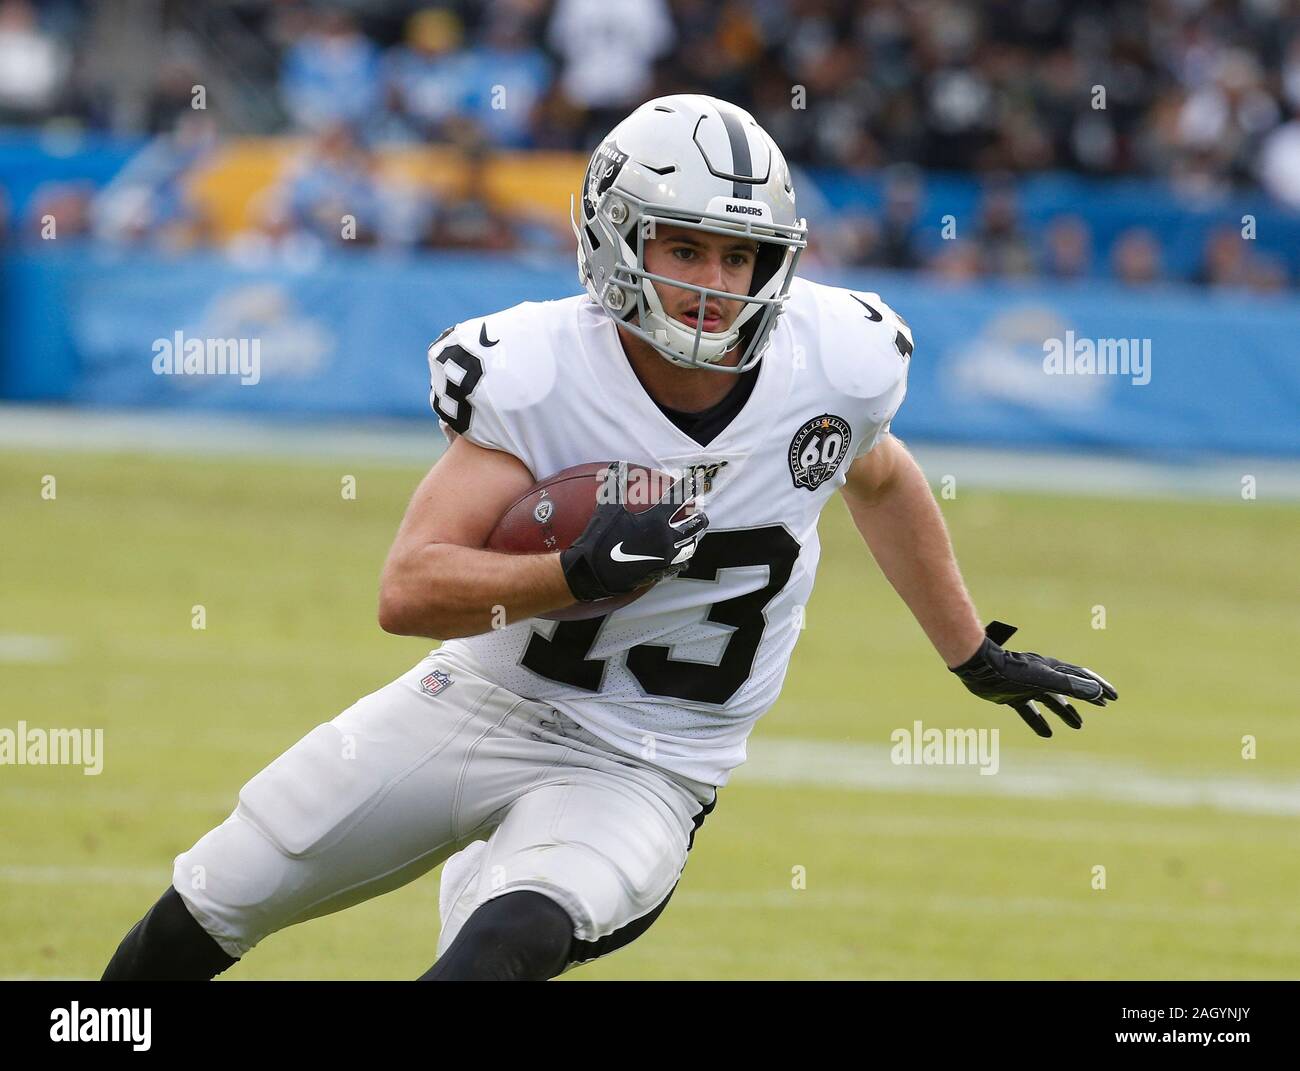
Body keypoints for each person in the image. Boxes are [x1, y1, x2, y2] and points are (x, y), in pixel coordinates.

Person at [102, 95, 1117, 982]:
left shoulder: (837, 362)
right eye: (683, 247)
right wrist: (571, 572)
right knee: (220, 895)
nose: (716, 281)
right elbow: (407, 589)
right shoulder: (541, 374)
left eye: (738, 253)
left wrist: (970, 655)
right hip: (485, 701)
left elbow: (882, 480)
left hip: (649, 764)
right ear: (615, 238)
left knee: (509, 941)